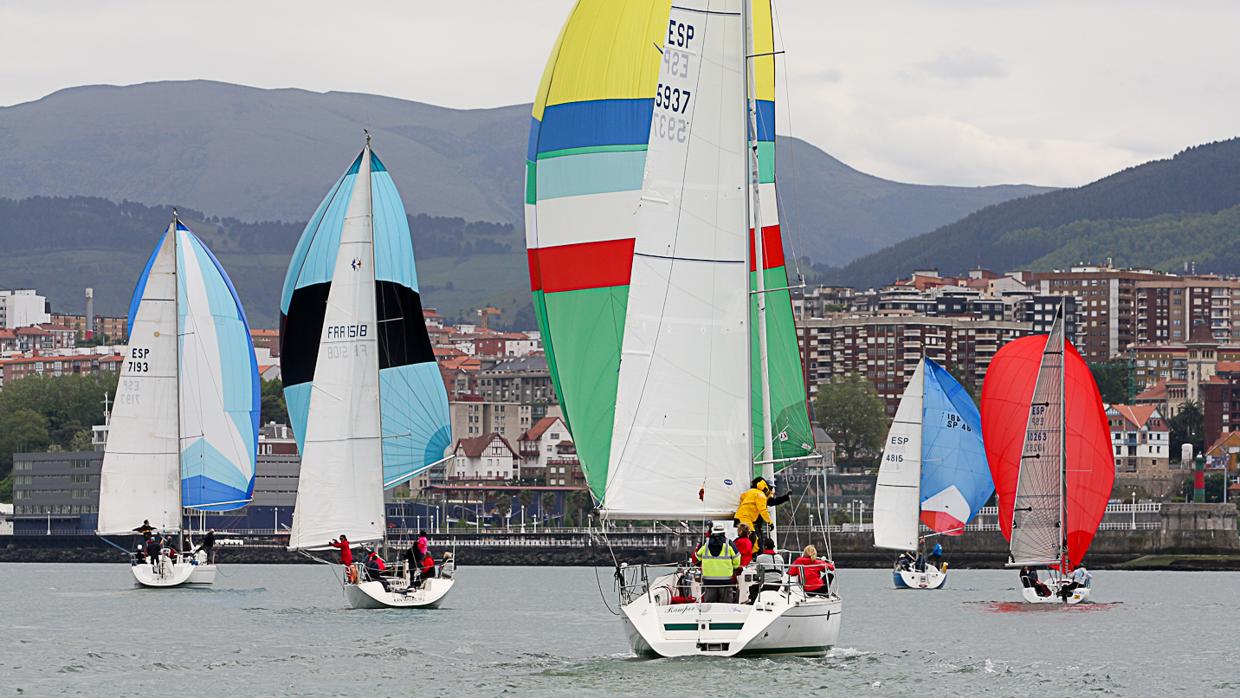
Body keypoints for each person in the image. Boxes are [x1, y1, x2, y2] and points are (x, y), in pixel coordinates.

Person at [695, 522, 741, 603]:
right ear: (724, 532)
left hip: (709, 581)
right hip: (726, 581)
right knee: (726, 607)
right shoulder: (729, 543)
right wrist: (733, 567)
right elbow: (737, 560)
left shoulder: (705, 543)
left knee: (710, 606)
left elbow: (697, 556)